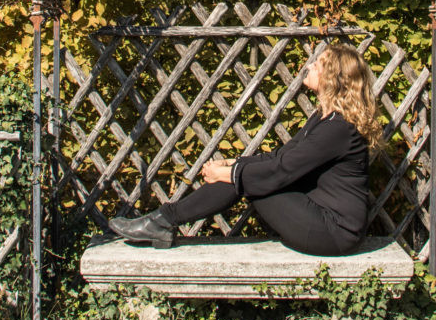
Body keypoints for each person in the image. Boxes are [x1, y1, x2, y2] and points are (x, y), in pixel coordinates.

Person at [109, 43, 382, 256]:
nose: (309, 66)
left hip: (334, 231)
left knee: (251, 181)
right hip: (323, 219)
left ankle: (162, 221)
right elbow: (282, 157)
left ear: (332, 78)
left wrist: (229, 174)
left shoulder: (337, 129)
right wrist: (233, 164)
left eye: (318, 64)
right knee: (247, 176)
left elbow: (282, 170)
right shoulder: (325, 119)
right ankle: (162, 220)